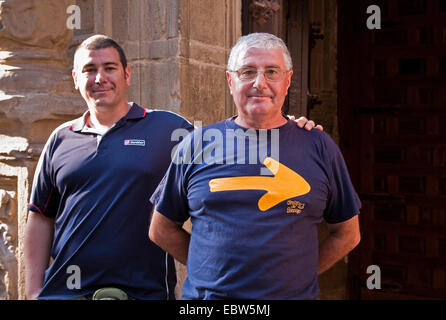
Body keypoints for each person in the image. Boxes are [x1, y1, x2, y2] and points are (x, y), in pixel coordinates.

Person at [24, 34, 320, 300]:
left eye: (109, 68)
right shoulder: (60, 139)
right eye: (89, 70)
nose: (100, 77)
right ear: (76, 78)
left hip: (145, 292)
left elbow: (237, 146)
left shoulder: (169, 128)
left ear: (127, 74)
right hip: (64, 293)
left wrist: (285, 128)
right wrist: (34, 290)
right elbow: (40, 216)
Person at [149, 33, 361, 300]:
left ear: (288, 80)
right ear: (230, 81)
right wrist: (209, 272)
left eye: (272, 72)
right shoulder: (197, 145)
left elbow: (347, 234)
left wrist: (300, 276)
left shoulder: (319, 146)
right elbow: (161, 228)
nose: (259, 83)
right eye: (247, 71)